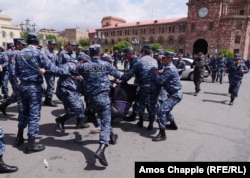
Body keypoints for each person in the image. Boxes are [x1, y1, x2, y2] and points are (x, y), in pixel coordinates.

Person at [14, 33, 70, 154]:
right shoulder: (39, 52)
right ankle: (31, 144)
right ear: (37, 41)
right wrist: (66, 71)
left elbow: (16, 71)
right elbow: (51, 67)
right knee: (34, 115)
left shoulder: (19, 53)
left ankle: (19, 137)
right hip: (34, 87)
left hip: (23, 86)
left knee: (24, 111)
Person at [74, 44, 122, 166]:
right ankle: (101, 149)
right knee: (106, 122)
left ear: (89, 54)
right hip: (103, 99)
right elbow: (120, 76)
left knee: (101, 116)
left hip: (91, 100)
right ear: (100, 53)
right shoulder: (105, 65)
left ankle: (111, 136)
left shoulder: (83, 66)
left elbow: (69, 70)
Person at [121, 45, 160, 130]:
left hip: (144, 85)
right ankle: (151, 124)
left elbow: (130, 73)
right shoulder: (154, 61)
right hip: (155, 86)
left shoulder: (139, 61)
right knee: (152, 105)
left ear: (143, 52)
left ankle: (141, 122)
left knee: (141, 103)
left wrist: (122, 79)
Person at [55, 40, 89, 133]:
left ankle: (80, 123)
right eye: (85, 62)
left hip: (73, 88)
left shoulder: (79, 65)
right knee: (76, 108)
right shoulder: (69, 64)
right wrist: (71, 74)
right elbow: (58, 70)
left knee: (80, 105)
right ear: (81, 61)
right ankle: (61, 120)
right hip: (65, 88)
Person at [152, 52, 182, 141]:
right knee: (167, 110)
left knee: (161, 111)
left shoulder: (170, 69)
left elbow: (160, 82)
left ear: (169, 59)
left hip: (175, 95)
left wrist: (157, 74)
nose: (162, 60)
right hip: (173, 94)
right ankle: (173, 125)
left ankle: (162, 134)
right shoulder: (168, 68)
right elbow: (163, 72)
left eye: (164, 59)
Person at [43, 39, 58, 107]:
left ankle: (47, 100)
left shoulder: (54, 52)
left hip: (53, 71)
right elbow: (46, 63)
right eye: (53, 44)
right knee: (51, 86)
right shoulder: (45, 52)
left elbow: (56, 61)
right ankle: (49, 100)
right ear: (48, 44)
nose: (54, 45)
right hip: (48, 71)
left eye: (55, 44)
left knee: (50, 86)